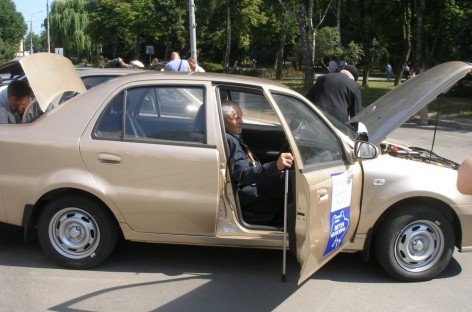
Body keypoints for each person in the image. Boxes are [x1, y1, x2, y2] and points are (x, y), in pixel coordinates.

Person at [222, 101, 293, 215]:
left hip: (251, 183)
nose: (242, 122)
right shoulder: (229, 141)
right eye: (236, 118)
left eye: (241, 117)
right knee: (291, 180)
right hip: (246, 190)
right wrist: (275, 166)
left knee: (287, 177)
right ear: (222, 120)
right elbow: (244, 174)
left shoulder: (232, 137)